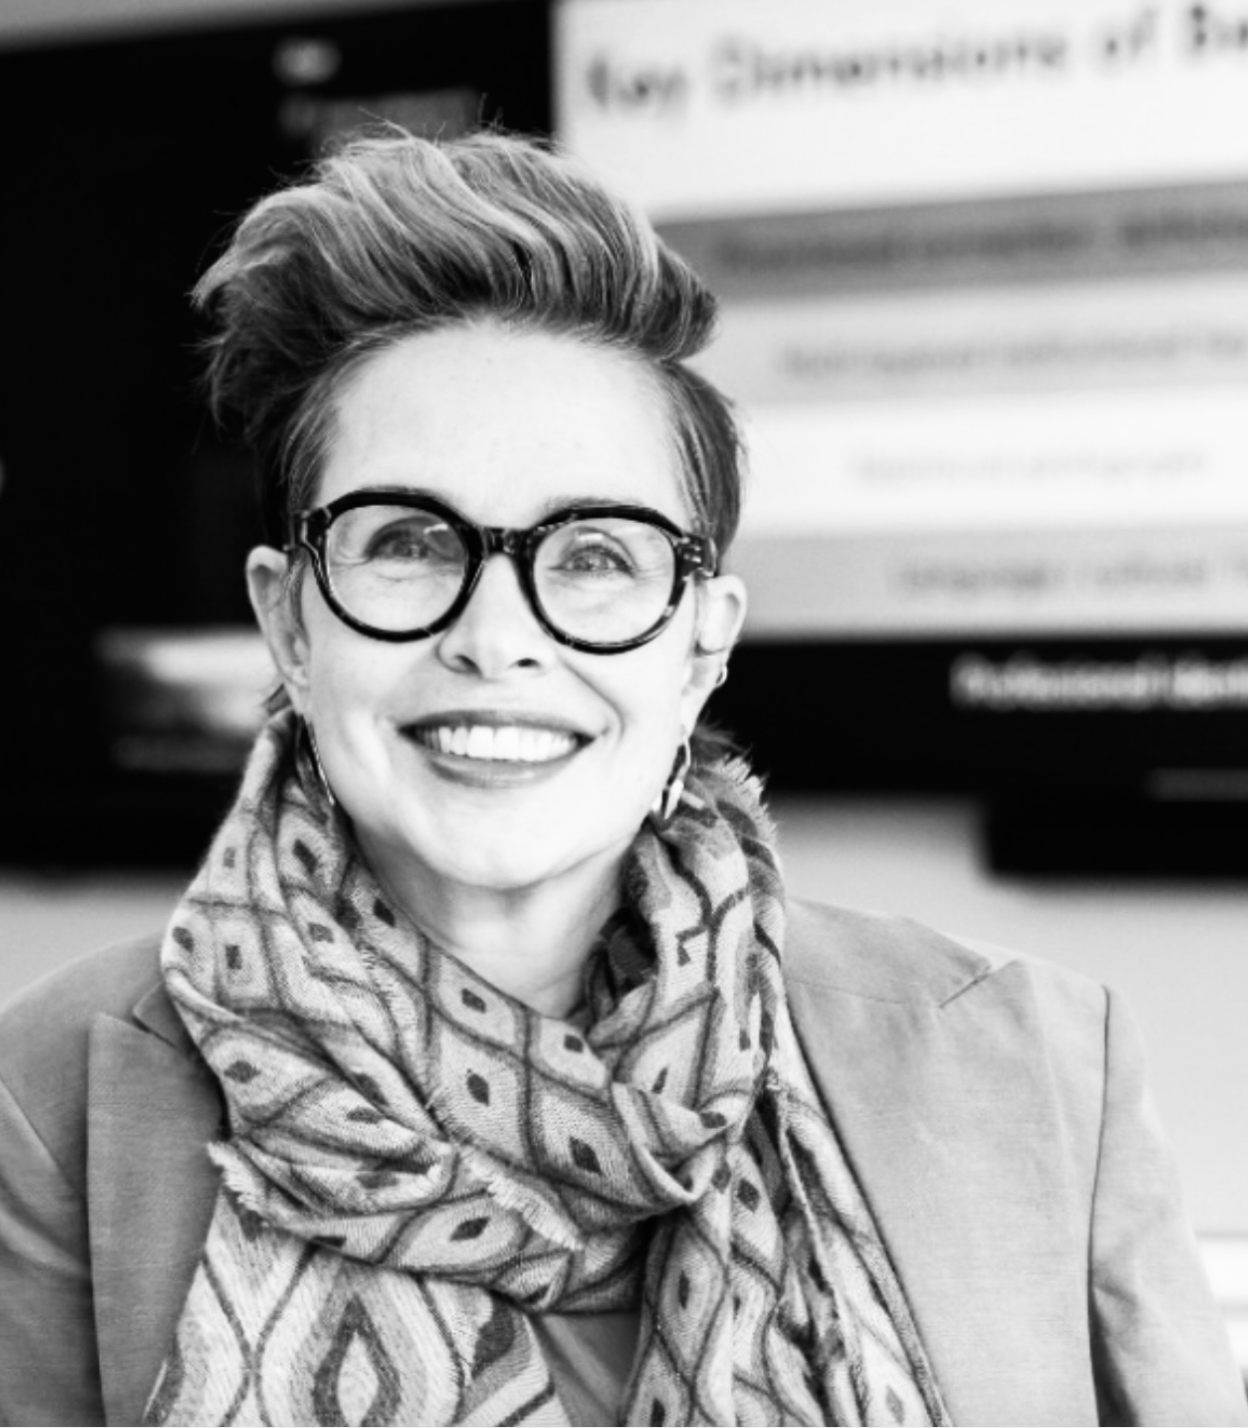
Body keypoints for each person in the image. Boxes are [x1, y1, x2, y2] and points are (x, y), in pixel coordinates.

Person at [0, 130, 1242, 1428]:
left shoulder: (1039, 1062)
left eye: (595, 555)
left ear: (701, 644)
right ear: (289, 625)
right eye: (409, 542)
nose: (496, 637)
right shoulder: (53, 1099)